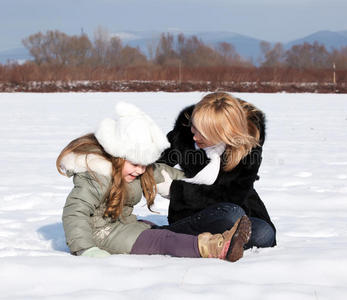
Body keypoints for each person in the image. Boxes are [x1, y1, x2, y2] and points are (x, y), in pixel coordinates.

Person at [56, 102, 251, 262]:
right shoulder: (96, 177)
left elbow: (165, 173)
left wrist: (200, 185)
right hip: (101, 235)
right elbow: (75, 211)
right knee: (162, 240)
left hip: (123, 227)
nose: (141, 170)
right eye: (135, 163)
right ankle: (216, 247)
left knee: (158, 232)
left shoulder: (135, 170)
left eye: (144, 164)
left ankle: (214, 238)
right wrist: (85, 248)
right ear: (117, 156)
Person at [156, 92, 276, 249]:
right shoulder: (185, 131)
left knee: (262, 232)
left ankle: (217, 243)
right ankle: (164, 236)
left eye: (203, 133)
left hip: (234, 209)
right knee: (231, 217)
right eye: (194, 128)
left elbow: (232, 194)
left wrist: (174, 190)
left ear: (222, 133)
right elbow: (156, 158)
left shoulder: (248, 149)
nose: (194, 137)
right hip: (191, 214)